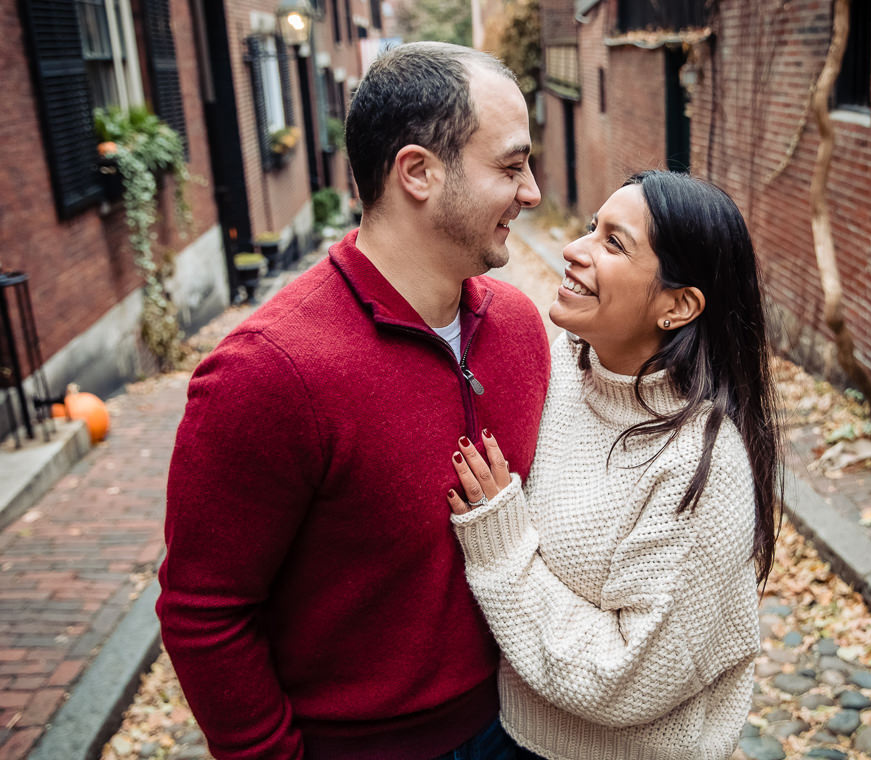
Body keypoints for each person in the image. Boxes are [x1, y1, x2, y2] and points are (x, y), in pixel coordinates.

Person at [157, 43, 549, 760]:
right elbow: (204, 612)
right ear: (418, 173)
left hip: (521, 728)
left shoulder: (523, 330)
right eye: (512, 165)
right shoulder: (267, 373)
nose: (533, 193)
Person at [444, 170, 782, 760]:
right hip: (512, 736)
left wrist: (501, 549)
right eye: (591, 228)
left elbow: (622, 676)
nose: (574, 250)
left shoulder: (701, 466)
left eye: (613, 243)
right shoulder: (567, 368)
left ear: (678, 306)